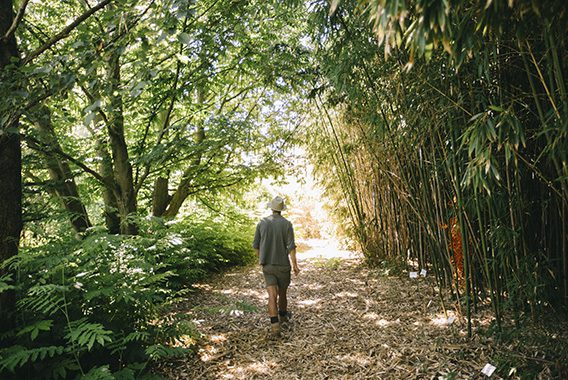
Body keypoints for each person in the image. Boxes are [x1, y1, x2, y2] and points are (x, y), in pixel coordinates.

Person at [253, 196, 300, 338]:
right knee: (283, 293)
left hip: (268, 266)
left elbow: (256, 246)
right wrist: (295, 266)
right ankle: (283, 317)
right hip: (283, 266)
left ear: (271, 208)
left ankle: (275, 327)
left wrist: (262, 258)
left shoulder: (262, 223)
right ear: (281, 210)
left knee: (272, 295)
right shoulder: (287, 224)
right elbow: (291, 247)